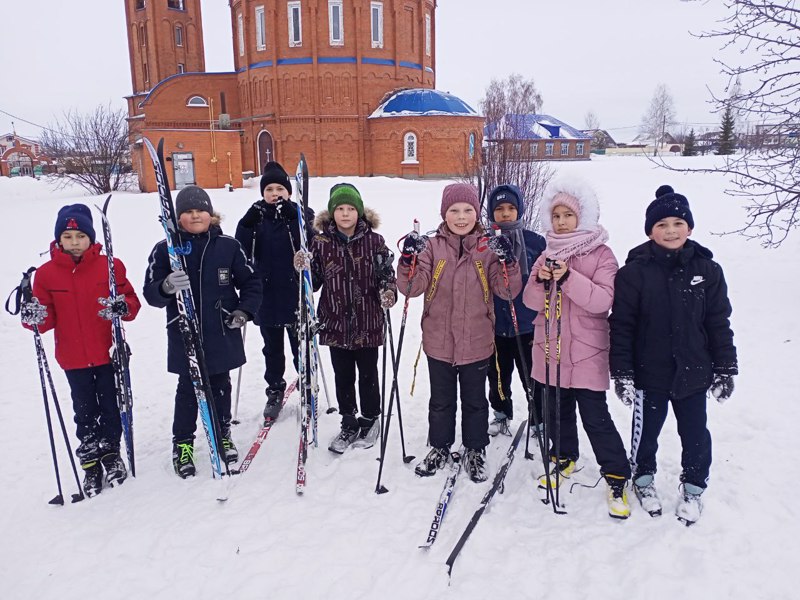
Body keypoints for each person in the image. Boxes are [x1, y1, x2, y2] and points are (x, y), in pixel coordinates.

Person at [609, 185, 737, 524]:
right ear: (650, 230)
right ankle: (644, 480)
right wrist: (622, 372)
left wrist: (725, 367)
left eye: (678, 223)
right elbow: (621, 325)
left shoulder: (707, 271)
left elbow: (718, 322)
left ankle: (694, 487)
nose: (670, 231)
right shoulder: (633, 273)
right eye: (662, 224)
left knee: (696, 433)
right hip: (649, 373)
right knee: (645, 434)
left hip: (694, 371)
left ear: (690, 228)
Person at [522, 180, 632, 519]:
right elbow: (529, 302)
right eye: (556, 215)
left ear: (582, 216)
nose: (561, 222)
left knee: (595, 418)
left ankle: (616, 475)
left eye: (568, 215)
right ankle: (564, 457)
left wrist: (568, 279)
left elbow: (602, 301)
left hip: (586, 351)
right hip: (551, 349)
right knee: (557, 412)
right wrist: (541, 280)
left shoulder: (601, 253)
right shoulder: (546, 252)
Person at [398, 183, 521, 483]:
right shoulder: (431, 246)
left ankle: (475, 448)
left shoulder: (487, 248)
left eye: (468, 210)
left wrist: (508, 260)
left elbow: (506, 290)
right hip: (439, 342)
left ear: (476, 213)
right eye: (454, 210)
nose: (461, 217)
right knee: (440, 402)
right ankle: (439, 447)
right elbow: (412, 287)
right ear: (444, 213)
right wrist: (408, 260)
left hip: (477, 341)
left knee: (475, 401)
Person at [21, 204, 141, 497]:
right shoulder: (47, 275)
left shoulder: (110, 266)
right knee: (84, 410)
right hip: (73, 357)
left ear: (91, 238)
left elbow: (131, 303)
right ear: (58, 239)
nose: (74, 242)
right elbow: (44, 320)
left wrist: (121, 307)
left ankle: (111, 453)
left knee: (112, 407)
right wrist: (32, 316)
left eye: (80, 236)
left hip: (107, 352)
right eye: (68, 236)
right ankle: (90, 462)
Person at [144, 185, 261, 478]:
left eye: (201, 211)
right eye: (188, 212)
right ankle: (182, 443)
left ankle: (222, 433)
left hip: (221, 329)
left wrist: (243, 311)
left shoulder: (228, 246)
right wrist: (167, 286)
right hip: (185, 333)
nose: (195, 216)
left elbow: (251, 283)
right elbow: (151, 294)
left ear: (211, 214)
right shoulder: (165, 250)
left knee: (221, 386)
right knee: (188, 390)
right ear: (178, 216)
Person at [294, 183, 397, 453]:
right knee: (343, 376)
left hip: (368, 321)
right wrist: (303, 268)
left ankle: (371, 418)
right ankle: (349, 421)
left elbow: (387, 275)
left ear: (360, 212)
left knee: (368, 375)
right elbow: (313, 283)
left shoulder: (375, 241)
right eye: (340, 208)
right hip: (335, 322)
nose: (346, 213)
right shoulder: (321, 243)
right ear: (332, 213)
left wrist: (388, 292)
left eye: (351, 208)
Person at [236, 161, 315, 422]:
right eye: (269, 188)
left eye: (280, 188)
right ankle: (275, 389)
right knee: (272, 349)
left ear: (289, 192)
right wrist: (246, 225)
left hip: (293, 293)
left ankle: (306, 384)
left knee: (299, 344)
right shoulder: (257, 217)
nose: (274, 193)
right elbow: (241, 251)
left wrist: (297, 218)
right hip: (266, 294)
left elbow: (311, 247)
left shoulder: (299, 216)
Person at [485, 184, 546, 437]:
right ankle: (501, 413)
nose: (506, 214)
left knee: (532, 377)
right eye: (499, 209)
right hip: (496, 326)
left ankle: (539, 418)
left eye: (511, 208)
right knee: (498, 377)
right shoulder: (484, 243)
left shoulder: (535, 242)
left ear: (519, 210)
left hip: (528, 324)